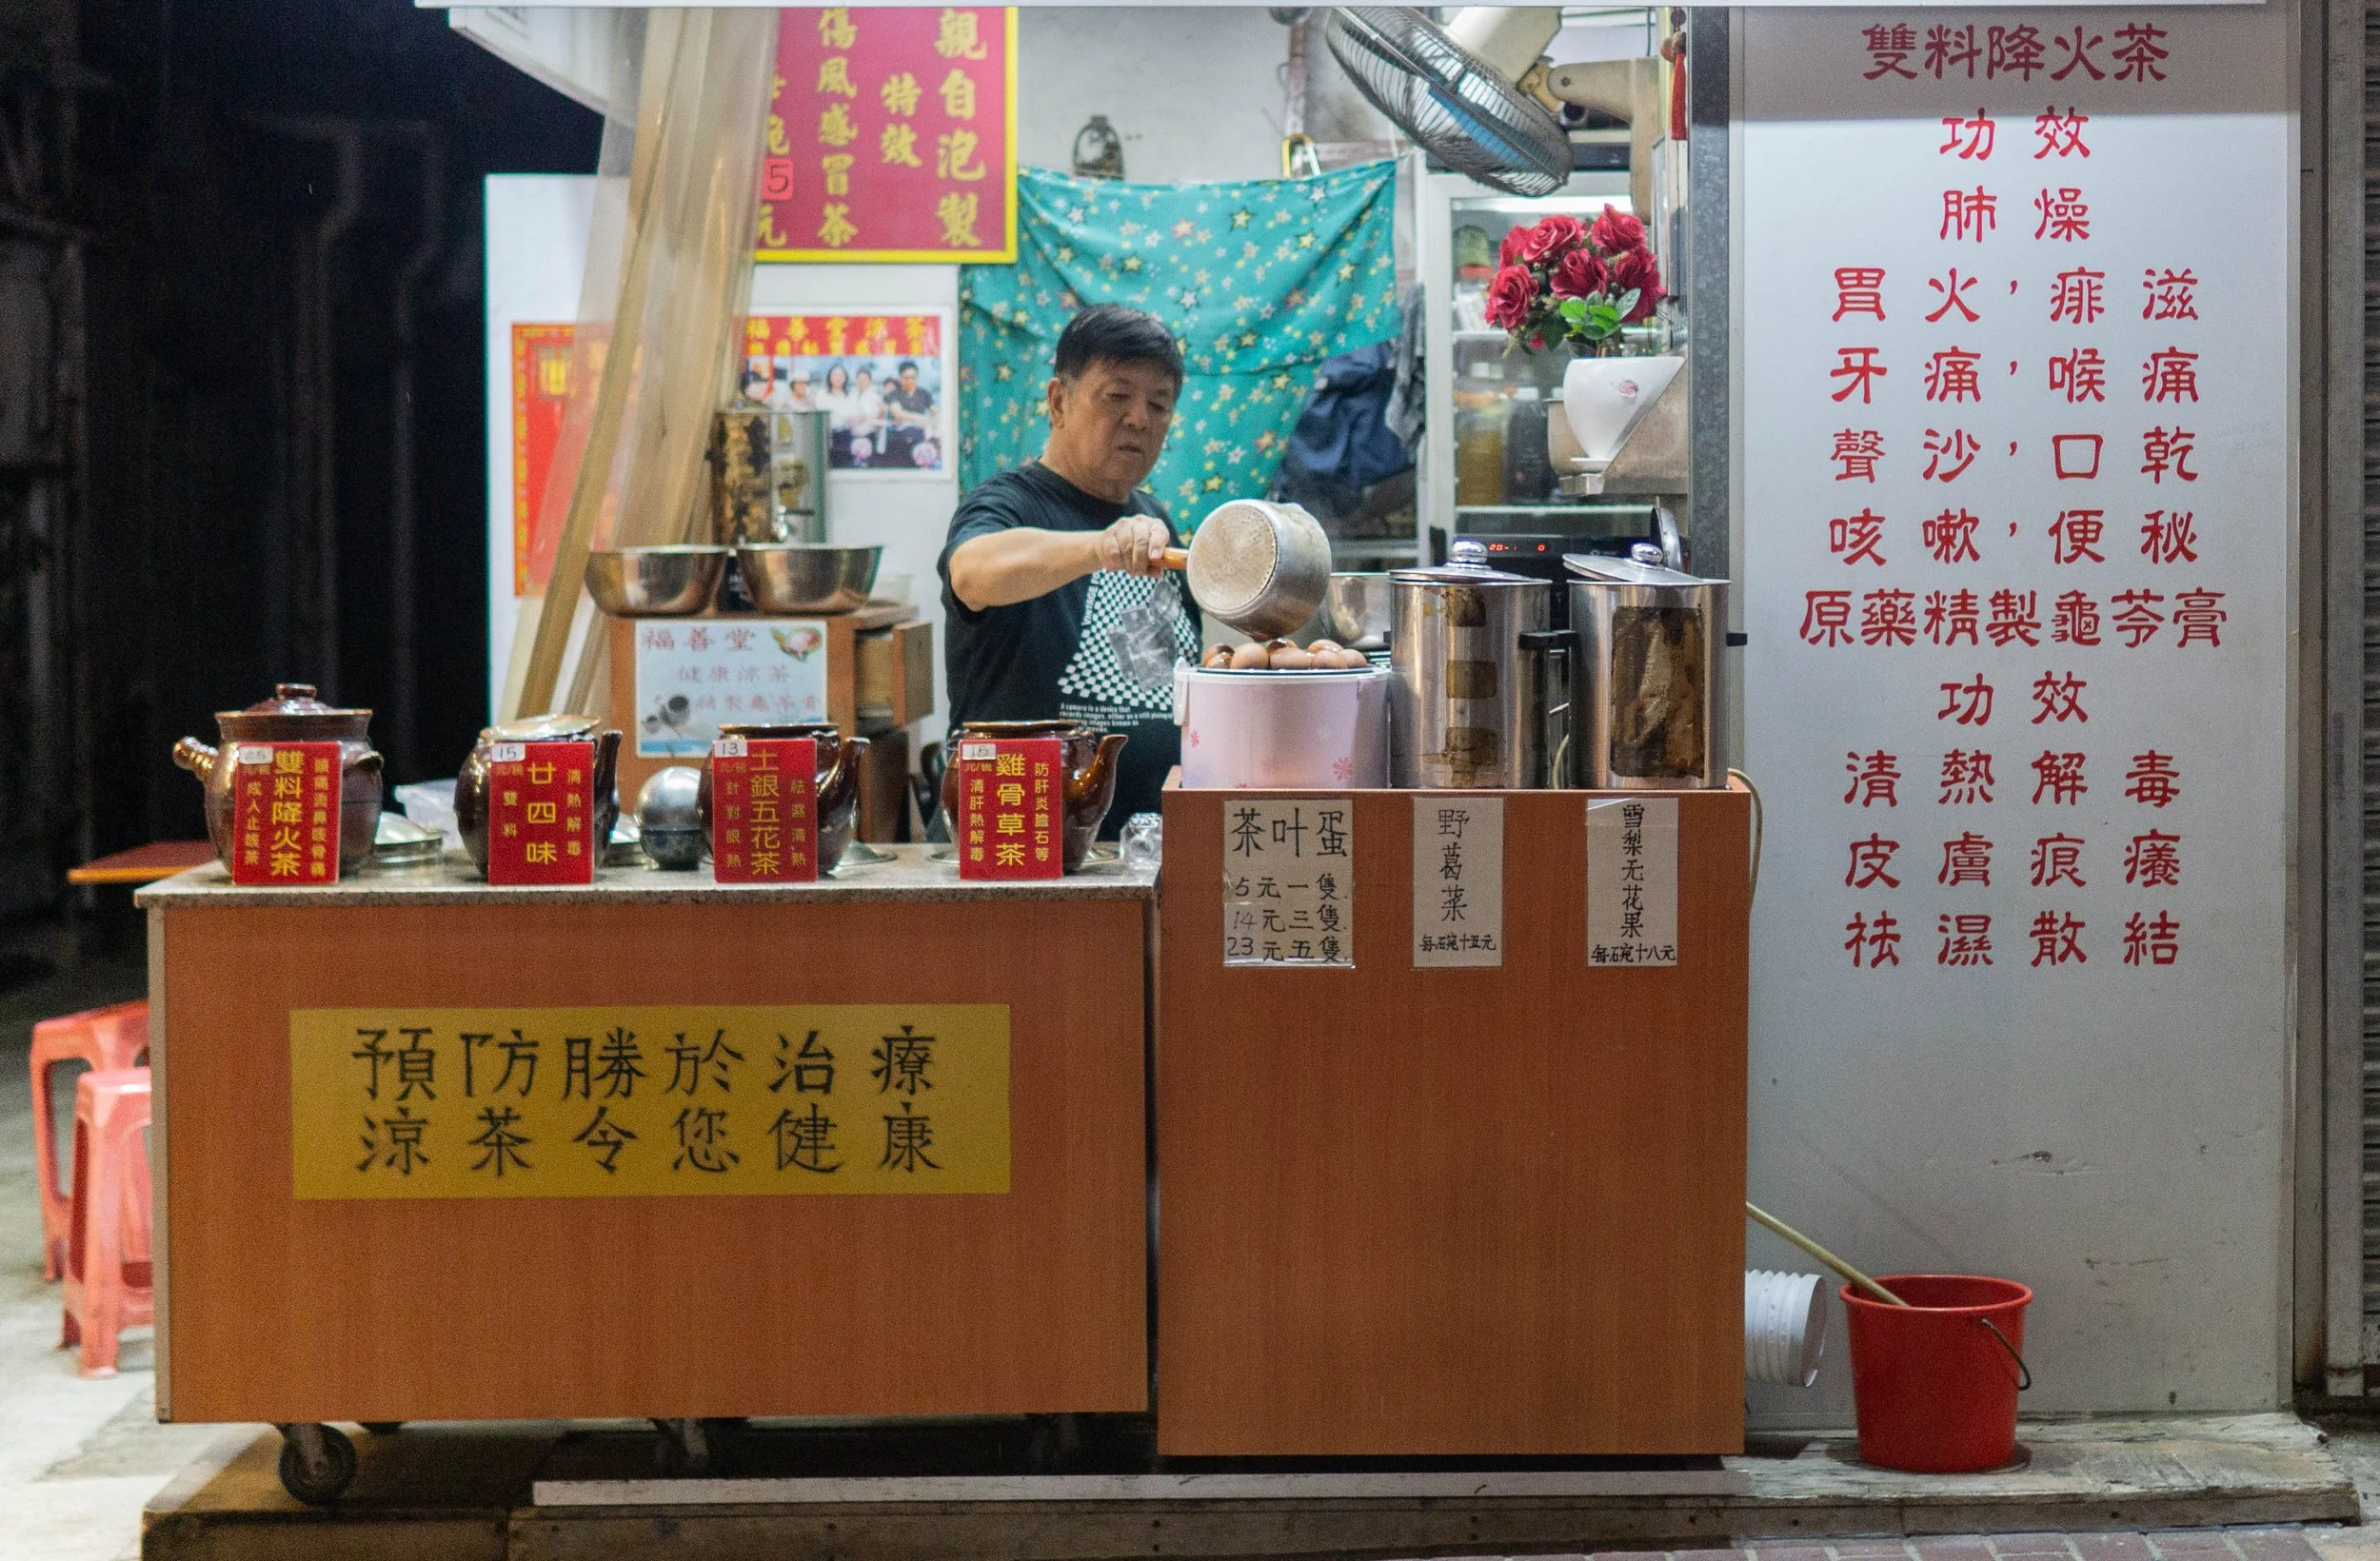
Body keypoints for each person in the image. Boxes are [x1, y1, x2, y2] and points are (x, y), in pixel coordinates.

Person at [940, 304, 1200, 836]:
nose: (1139, 419)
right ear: (1059, 401)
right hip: (1019, 841)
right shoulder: (1005, 503)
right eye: (1117, 396)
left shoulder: (1154, 519)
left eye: (1159, 403)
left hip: (1145, 850)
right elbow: (971, 571)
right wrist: (1098, 547)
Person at [881, 359, 938, 466]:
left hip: (919, 443)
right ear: (900, 378)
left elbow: (936, 412)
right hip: (897, 444)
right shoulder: (893, 394)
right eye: (906, 378)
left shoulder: (924, 394)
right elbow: (898, 414)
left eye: (913, 378)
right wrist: (920, 418)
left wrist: (934, 422)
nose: (910, 381)